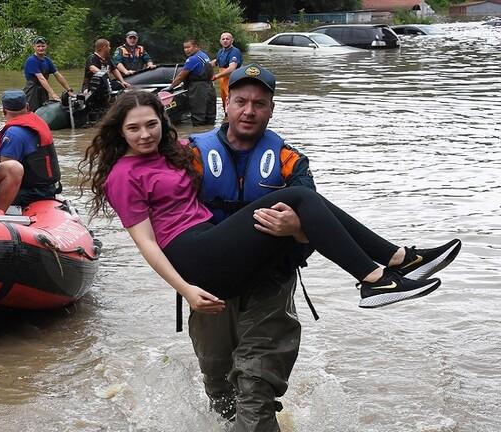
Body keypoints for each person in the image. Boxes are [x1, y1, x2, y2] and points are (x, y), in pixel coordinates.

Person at [79, 87, 462, 420]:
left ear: (162, 121)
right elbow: (146, 243)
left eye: (151, 124)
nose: (144, 134)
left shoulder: (176, 152)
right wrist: (185, 290)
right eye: (133, 128)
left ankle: (395, 262)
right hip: (193, 255)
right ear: (120, 131)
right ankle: (382, 272)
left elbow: (226, 140)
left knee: (304, 201)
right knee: (299, 198)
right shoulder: (123, 175)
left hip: (218, 247)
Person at [184, 63, 313, 430]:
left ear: (271, 109)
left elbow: (317, 225)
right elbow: (165, 220)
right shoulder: (190, 156)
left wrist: (297, 225)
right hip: (211, 286)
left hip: (269, 282)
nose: (249, 111)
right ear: (227, 104)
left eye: (259, 103)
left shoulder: (290, 162)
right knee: (218, 379)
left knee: (255, 382)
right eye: (241, 101)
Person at [0, 89, 62, 208]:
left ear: (3, 110)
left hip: (31, 193)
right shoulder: (38, 122)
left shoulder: (13, 134)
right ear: (27, 106)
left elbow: (5, 170)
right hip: (49, 187)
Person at [165, 38, 216, 126]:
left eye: (188, 47)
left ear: (196, 47)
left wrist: (170, 87)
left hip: (198, 90)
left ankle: (198, 134)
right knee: (210, 116)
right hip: (209, 87)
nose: (186, 50)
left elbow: (181, 76)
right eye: (184, 48)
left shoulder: (192, 59)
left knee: (198, 117)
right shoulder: (204, 55)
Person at [23, 36, 75, 112]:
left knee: (44, 110)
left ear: (46, 46)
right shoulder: (31, 60)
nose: (41, 48)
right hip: (32, 90)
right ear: (34, 47)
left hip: (43, 90)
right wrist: (53, 94)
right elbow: (41, 78)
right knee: (32, 112)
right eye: (38, 46)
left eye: (43, 46)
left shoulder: (47, 60)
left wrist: (69, 90)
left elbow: (58, 75)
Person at [210, 32, 243, 115]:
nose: (225, 41)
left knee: (233, 102)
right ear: (220, 41)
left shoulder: (235, 52)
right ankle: (226, 120)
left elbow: (232, 68)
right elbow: (216, 62)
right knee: (225, 103)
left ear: (232, 40)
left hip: (233, 80)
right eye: (223, 39)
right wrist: (203, 65)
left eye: (227, 39)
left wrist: (216, 76)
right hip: (223, 82)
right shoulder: (221, 51)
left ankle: (234, 119)